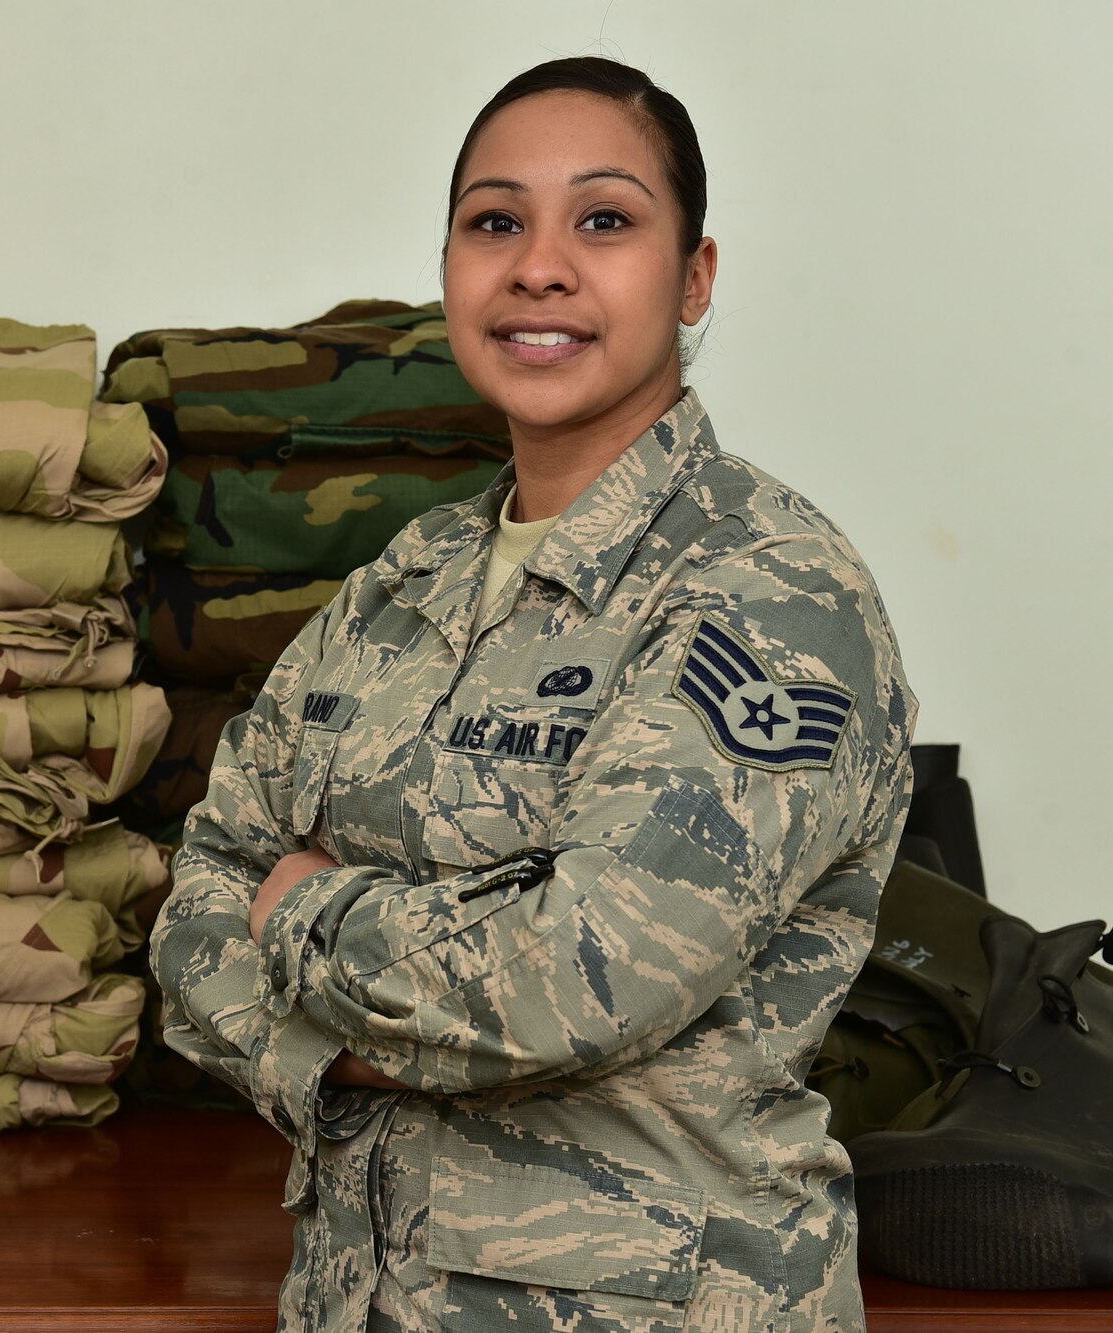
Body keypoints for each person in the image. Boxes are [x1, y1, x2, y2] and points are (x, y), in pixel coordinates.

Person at [149, 56, 916, 1333]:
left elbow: (573, 980)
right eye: (493, 221)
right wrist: (374, 1009)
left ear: (694, 277)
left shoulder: (771, 593)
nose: (538, 266)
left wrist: (307, 917)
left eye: (603, 220)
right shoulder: (407, 578)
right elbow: (193, 909)